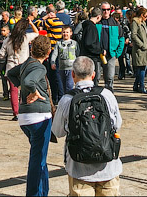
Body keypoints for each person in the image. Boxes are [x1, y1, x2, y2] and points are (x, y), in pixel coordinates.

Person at [51, 55, 123, 197]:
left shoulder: (67, 100)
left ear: (73, 74)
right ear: (94, 74)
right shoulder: (107, 95)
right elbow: (117, 124)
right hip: (108, 165)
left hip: (79, 167)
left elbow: (57, 131)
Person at [7, 35, 54, 197]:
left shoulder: (26, 63)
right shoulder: (40, 68)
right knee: (38, 159)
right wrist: (33, 92)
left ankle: (43, 192)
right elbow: (28, 81)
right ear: (48, 53)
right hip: (39, 116)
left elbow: (10, 74)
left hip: (25, 117)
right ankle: (34, 193)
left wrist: (24, 88)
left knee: (41, 157)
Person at [4, 15, 38, 121]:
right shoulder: (26, 37)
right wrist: (31, 24)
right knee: (24, 89)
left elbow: (1, 54)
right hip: (23, 66)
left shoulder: (8, 39)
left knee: (13, 91)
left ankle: (16, 112)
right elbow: (37, 33)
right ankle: (24, 110)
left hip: (10, 66)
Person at [96, 3, 125, 91]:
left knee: (109, 77)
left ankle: (109, 96)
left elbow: (121, 38)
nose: (106, 12)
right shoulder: (96, 22)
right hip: (97, 54)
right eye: (103, 10)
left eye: (108, 9)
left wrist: (117, 53)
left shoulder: (115, 23)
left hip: (111, 54)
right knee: (96, 76)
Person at [128, 7, 147, 94]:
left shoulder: (143, 23)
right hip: (139, 49)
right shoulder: (135, 23)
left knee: (143, 67)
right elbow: (133, 35)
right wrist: (141, 45)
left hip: (144, 48)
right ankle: (141, 86)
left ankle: (136, 85)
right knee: (142, 68)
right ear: (141, 15)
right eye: (145, 16)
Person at [51, 25, 78, 95]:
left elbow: (78, 54)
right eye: (63, 32)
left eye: (67, 32)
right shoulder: (59, 43)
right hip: (62, 68)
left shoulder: (74, 43)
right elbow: (54, 54)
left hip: (71, 68)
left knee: (69, 85)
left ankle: (69, 100)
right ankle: (65, 101)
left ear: (71, 33)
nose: (65, 34)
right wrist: (52, 62)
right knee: (63, 87)